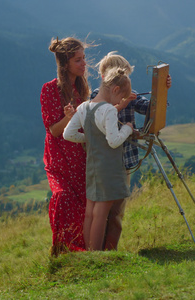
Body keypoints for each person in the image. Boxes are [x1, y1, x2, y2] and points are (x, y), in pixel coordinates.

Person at [90, 51, 172, 250]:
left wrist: (163, 90)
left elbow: (149, 108)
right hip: (105, 163)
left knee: (118, 210)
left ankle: (111, 251)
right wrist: (122, 104)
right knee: (103, 210)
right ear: (105, 78)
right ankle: (97, 252)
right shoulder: (96, 97)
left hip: (124, 161)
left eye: (126, 76)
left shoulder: (129, 92)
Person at [63, 66, 134, 251]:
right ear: (116, 90)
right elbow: (113, 141)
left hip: (92, 167)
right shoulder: (109, 110)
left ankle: (89, 252)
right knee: (101, 213)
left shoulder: (84, 107)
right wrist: (127, 128)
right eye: (121, 98)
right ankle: (96, 255)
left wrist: (88, 138)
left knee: (90, 213)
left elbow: (68, 134)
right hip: (108, 169)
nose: (120, 102)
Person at [40, 37, 90, 256]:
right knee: (63, 197)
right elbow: (53, 130)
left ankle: (80, 251)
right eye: (78, 60)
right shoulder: (50, 89)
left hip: (79, 156)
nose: (83, 64)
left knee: (83, 204)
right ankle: (61, 250)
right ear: (65, 63)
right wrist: (68, 117)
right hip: (59, 158)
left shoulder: (81, 88)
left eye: (84, 58)